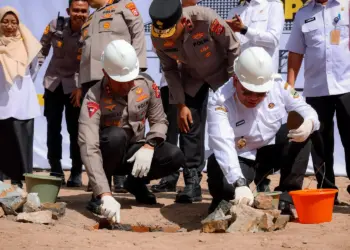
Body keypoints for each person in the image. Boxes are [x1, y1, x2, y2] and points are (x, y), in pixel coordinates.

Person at [207, 47, 320, 215]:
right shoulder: (220, 101)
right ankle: (225, 198)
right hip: (241, 155)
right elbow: (222, 142)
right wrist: (239, 183)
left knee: (301, 133)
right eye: (247, 92)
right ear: (236, 80)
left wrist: (309, 123)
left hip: (270, 150)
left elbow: (307, 111)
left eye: (260, 93)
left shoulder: (278, 85)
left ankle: (286, 198)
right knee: (225, 185)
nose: (254, 98)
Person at [78, 40, 184, 218]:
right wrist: (103, 194)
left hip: (136, 151)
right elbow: (88, 145)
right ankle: (99, 195)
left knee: (174, 156)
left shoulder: (146, 85)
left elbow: (159, 121)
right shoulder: (93, 96)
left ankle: (135, 184)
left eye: (130, 80)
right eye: (120, 82)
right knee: (115, 136)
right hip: (109, 153)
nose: (127, 86)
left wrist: (150, 144)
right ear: (105, 73)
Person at [150, 0, 240, 203]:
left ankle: (237, 176)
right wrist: (180, 105)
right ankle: (192, 182)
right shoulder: (157, 37)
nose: (169, 38)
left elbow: (234, 48)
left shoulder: (205, 18)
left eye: (172, 32)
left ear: (183, 20)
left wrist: (235, 86)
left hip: (222, 74)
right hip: (191, 77)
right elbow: (170, 70)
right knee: (188, 125)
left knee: (233, 122)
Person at [81, 0, 148, 192]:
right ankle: (99, 180)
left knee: (121, 125)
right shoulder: (91, 17)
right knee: (96, 132)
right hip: (91, 80)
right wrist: (80, 83)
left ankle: (121, 177)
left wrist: (136, 68)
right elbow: (84, 51)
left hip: (118, 77)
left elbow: (138, 32)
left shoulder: (124, 6)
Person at [286, 0, 350, 199]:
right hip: (316, 88)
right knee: (320, 143)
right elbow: (296, 51)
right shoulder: (303, 13)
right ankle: (327, 190)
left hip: (347, 84)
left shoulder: (347, 5)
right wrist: (289, 86)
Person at [150, 0, 205, 194]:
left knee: (191, 130)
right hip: (170, 81)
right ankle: (169, 176)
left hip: (194, 81)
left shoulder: (201, 16)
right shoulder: (165, 12)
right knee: (170, 129)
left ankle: (193, 180)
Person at [37, 0, 89, 187]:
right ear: (69, 11)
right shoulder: (55, 25)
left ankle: (76, 170)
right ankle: (56, 168)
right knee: (53, 128)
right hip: (53, 83)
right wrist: (29, 74)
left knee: (76, 130)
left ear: (88, 11)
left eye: (84, 11)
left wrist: (81, 86)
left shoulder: (91, 30)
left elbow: (90, 62)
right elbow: (41, 50)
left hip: (75, 86)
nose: (80, 14)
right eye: (76, 10)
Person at [0, 6, 42, 187]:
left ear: (19, 24)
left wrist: (19, 85)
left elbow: (33, 70)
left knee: (21, 139)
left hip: (23, 99)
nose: (9, 26)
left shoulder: (28, 43)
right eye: (5, 21)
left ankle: (21, 180)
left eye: (13, 22)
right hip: (1, 98)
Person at [226, 0, 284, 72]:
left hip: (264, 75)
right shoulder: (235, 10)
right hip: (239, 74)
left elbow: (273, 40)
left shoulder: (273, 5)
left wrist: (244, 30)